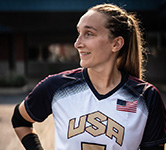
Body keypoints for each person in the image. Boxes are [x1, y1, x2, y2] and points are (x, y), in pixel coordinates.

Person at [11, 3, 166, 150]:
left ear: (116, 44)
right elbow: (20, 119)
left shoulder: (146, 97)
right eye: (79, 33)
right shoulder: (57, 86)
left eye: (89, 34)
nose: (77, 43)